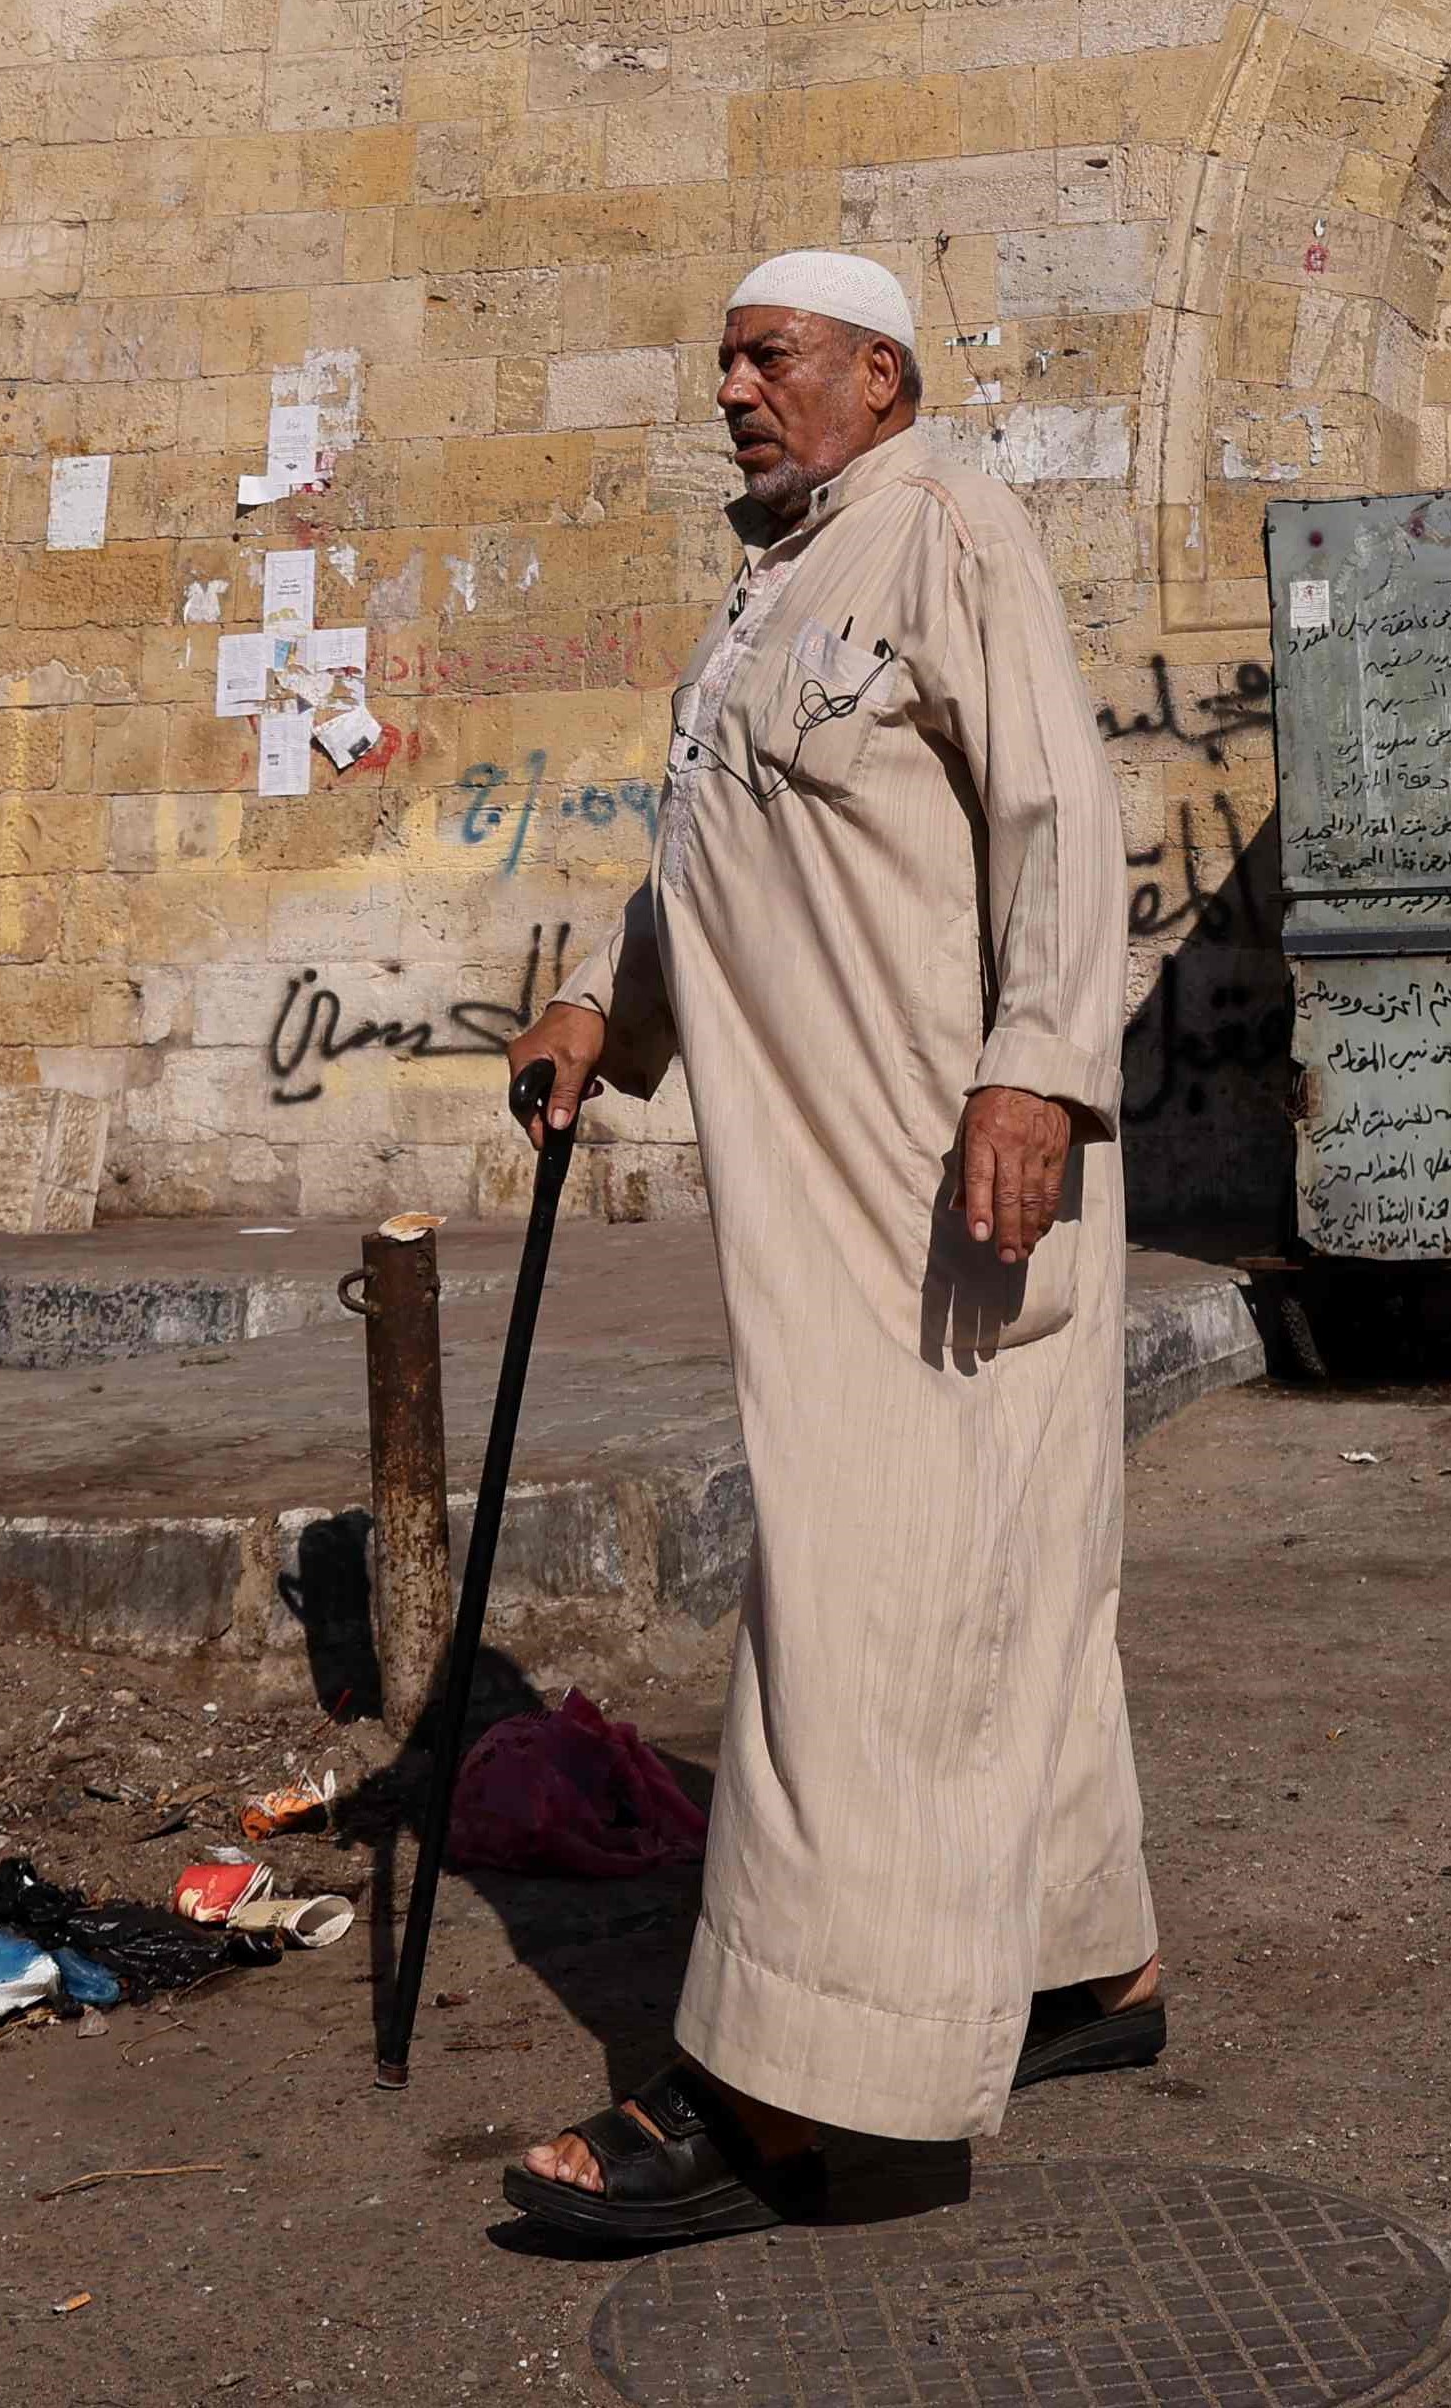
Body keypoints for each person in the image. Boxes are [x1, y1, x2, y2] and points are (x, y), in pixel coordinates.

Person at [491, 251, 1160, 2252]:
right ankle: (1075, 1961)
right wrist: (611, 1017)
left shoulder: (947, 529)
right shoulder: (774, 589)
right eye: (718, 357)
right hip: (844, 1181)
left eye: (766, 355)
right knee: (999, 1567)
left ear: (879, 375)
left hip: (946, 1173)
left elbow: (1060, 806)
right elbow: (715, 852)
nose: (730, 388)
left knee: (862, 1601)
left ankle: (800, 2095)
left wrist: (1036, 1071)